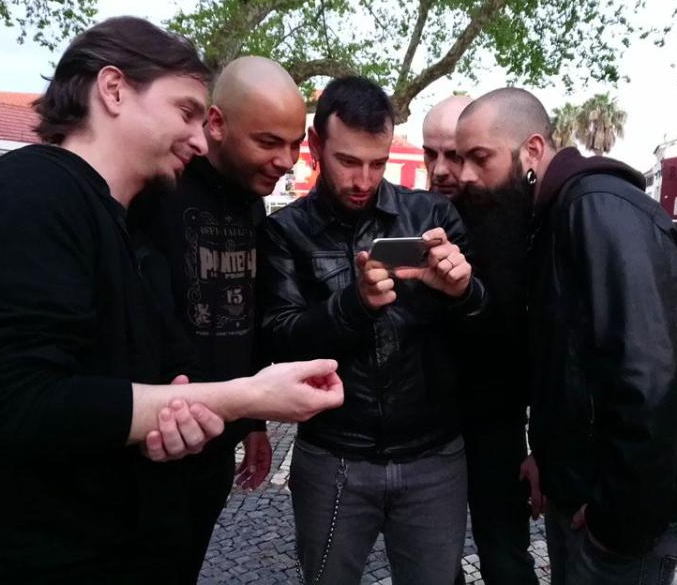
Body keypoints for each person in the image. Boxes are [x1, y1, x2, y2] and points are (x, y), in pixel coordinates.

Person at [0, 17, 343, 583]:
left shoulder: (118, 216)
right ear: (114, 89)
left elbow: (129, 380)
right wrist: (246, 395)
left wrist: (176, 415)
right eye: (185, 112)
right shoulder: (29, 194)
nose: (199, 140)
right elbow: (19, 403)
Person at [455, 87, 677, 585]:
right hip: (584, 492)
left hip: (617, 519)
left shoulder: (597, 209)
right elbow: (573, 365)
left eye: (479, 157)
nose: (464, 174)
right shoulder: (554, 214)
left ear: (532, 150)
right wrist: (550, 459)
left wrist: (616, 522)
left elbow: (653, 376)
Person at [258, 76, 486, 585]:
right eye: (348, 161)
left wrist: (463, 292)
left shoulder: (431, 214)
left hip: (433, 454)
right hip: (333, 455)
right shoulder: (285, 230)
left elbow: (483, 335)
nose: (364, 179)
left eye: (378, 163)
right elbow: (279, 339)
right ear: (316, 145)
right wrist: (354, 305)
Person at [128, 55, 308, 581]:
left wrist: (252, 423)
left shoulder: (252, 200)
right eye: (268, 142)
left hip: (216, 442)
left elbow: (246, 315)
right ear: (216, 124)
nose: (286, 161)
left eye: (295, 144)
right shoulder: (161, 185)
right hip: (154, 441)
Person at [423, 96, 539, 585]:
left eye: (456, 155)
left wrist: (544, 448)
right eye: (430, 154)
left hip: (498, 420)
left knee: (504, 553)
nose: (442, 170)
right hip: (429, 421)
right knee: (434, 559)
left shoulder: (517, 216)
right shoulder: (413, 215)